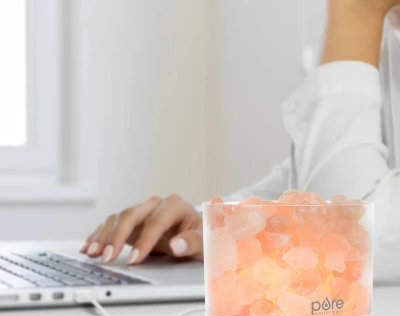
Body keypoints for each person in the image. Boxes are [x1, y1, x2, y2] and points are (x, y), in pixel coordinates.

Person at [81, 0, 400, 281]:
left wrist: (355, 13)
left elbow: (342, 241)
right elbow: (310, 189)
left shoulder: (362, 24)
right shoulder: (386, 40)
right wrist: (211, 226)